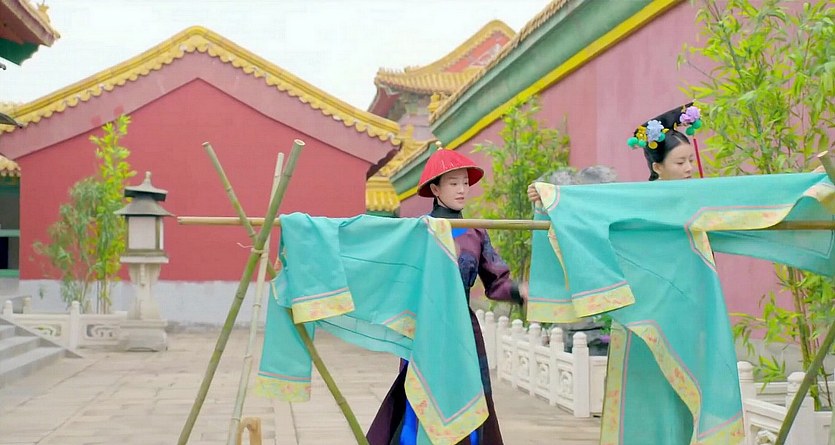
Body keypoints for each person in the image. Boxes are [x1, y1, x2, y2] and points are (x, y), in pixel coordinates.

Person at [366, 147, 528, 445]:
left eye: (465, 182)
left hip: (463, 329)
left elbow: (497, 283)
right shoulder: (418, 231)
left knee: (468, 393)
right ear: (435, 189)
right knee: (421, 393)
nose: (462, 189)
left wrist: (521, 291)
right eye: (453, 183)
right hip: (425, 329)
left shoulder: (476, 233)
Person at [527, 102, 703, 203]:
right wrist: (548, 194)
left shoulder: (700, 193)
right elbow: (593, 201)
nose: (689, 168)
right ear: (657, 167)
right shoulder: (642, 199)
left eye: (691, 160)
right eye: (680, 162)